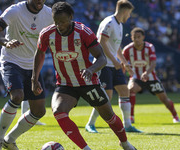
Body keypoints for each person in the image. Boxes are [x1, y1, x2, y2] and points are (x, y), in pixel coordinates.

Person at [32, 2, 136, 150]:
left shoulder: (83, 32)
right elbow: (40, 54)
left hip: (88, 82)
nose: (59, 25)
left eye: (63, 21)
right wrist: (34, 79)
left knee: (109, 116)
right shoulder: (47, 34)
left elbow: (101, 58)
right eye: (56, 22)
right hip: (65, 84)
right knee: (58, 112)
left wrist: (91, 69)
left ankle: (125, 143)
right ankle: (85, 148)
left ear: (71, 17)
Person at [0, 0, 53, 150]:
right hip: (11, 61)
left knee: (39, 111)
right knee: (17, 96)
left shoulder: (49, 14)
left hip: (33, 65)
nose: (40, 1)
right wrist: (5, 42)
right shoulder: (15, 10)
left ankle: (9, 140)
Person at [85, 0, 142, 133]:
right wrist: (115, 61)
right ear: (124, 11)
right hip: (104, 64)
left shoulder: (119, 25)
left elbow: (116, 47)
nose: (129, 16)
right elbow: (102, 42)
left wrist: (124, 63)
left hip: (113, 65)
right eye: (129, 13)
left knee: (124, 91)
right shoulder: (109, 23)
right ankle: (90, 124)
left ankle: (127, 125)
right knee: (107, 96)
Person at [122, 27, 180, 124]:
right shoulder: (128, 49)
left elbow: (153, 63)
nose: (136, 39)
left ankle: (175, 116)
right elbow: (123, 63)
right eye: (134, 37)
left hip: (151, 78)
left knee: (164, 99)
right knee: (130, 89)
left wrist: (147, 73)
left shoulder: (149, 47)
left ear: (143, 37)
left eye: (139, 37)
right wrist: (122, 73)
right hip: (136, 78)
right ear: (131, 38)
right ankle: (131, 117)